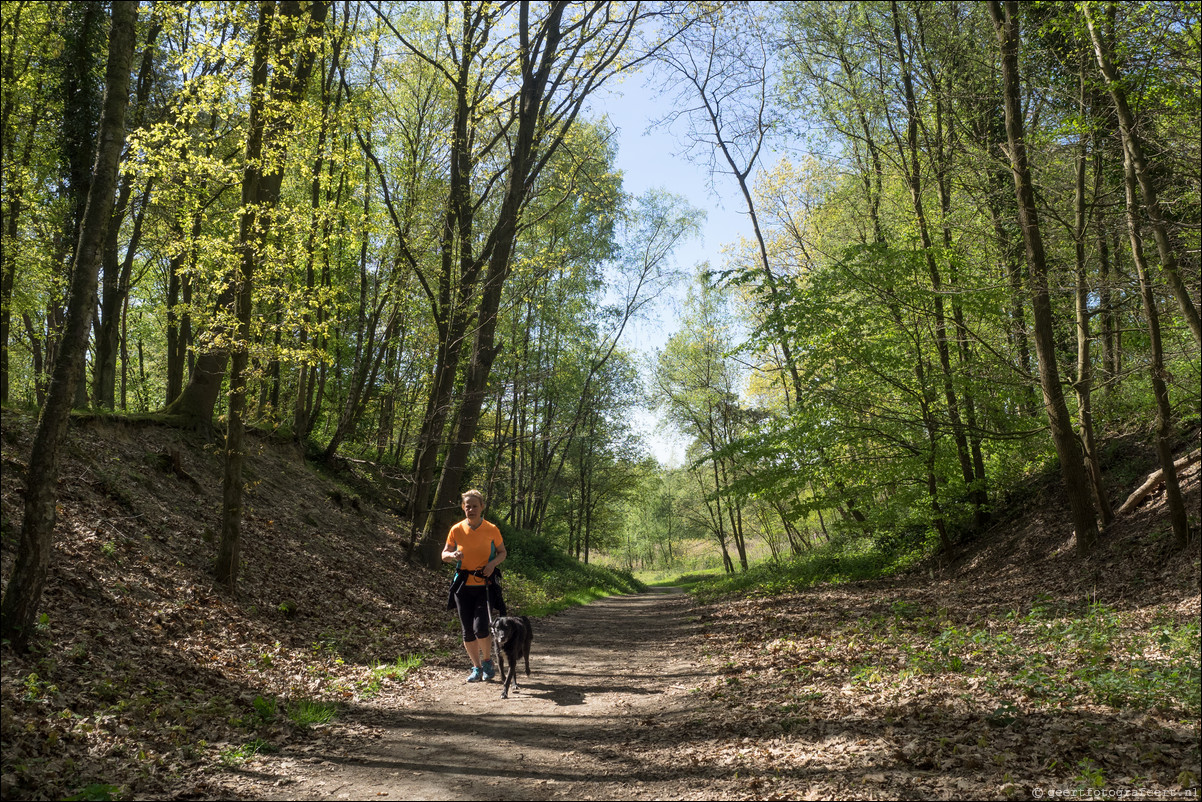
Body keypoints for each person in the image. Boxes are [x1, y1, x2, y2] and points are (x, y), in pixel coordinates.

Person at [442, 489, 507, 682]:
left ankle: (487, 662)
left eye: (475, 506)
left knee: (481, 628)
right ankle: (476, 668)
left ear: (482, 507)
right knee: (467, 631)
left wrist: (492, 564)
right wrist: (452, 555)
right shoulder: (456, 529)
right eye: (467, 506)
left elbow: (502, 552)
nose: (471, 509)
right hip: (462, 586)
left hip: (484, 585)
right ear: (463, 508)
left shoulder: (491, 529)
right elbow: (444, 554)